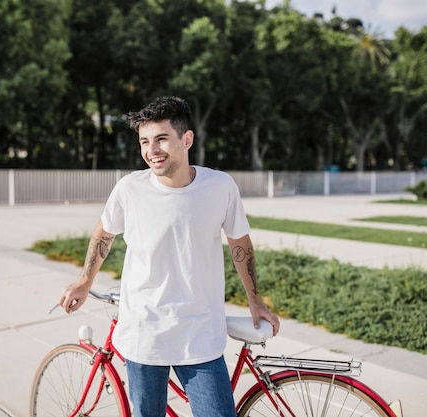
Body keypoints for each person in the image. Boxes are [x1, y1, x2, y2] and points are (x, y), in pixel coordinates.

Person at [59, 96, 280, 417]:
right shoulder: (129, 189)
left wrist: (255, 299)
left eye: (162, 139)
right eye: (145, 141)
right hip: (143, 335)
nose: (152, 150)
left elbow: (239, 244)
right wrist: (83, 282)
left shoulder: (219, 186)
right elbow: (103, 234)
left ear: (186, 139)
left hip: (200, 335)